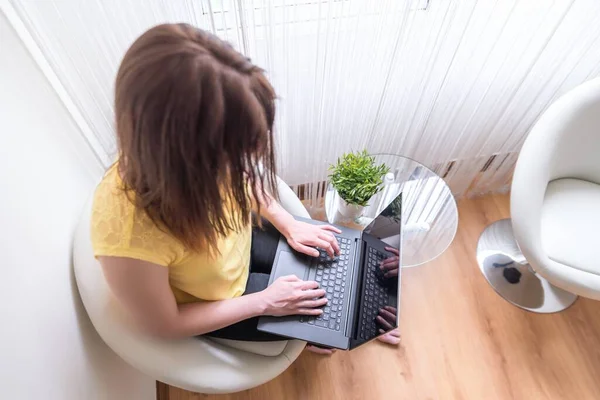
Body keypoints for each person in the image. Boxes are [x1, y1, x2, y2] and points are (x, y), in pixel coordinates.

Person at [91, 23, 397, 355]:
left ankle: (351, 319)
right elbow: (165, 325)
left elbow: (246, 180)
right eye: (235, 155)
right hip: (217, 302)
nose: (245, 164)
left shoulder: (190, 157)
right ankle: (322, 331)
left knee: (337, 260)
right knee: (326, 312)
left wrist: (288, 223)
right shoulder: (128, 238)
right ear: (188, 154)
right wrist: (263, 303)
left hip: (237, 249)